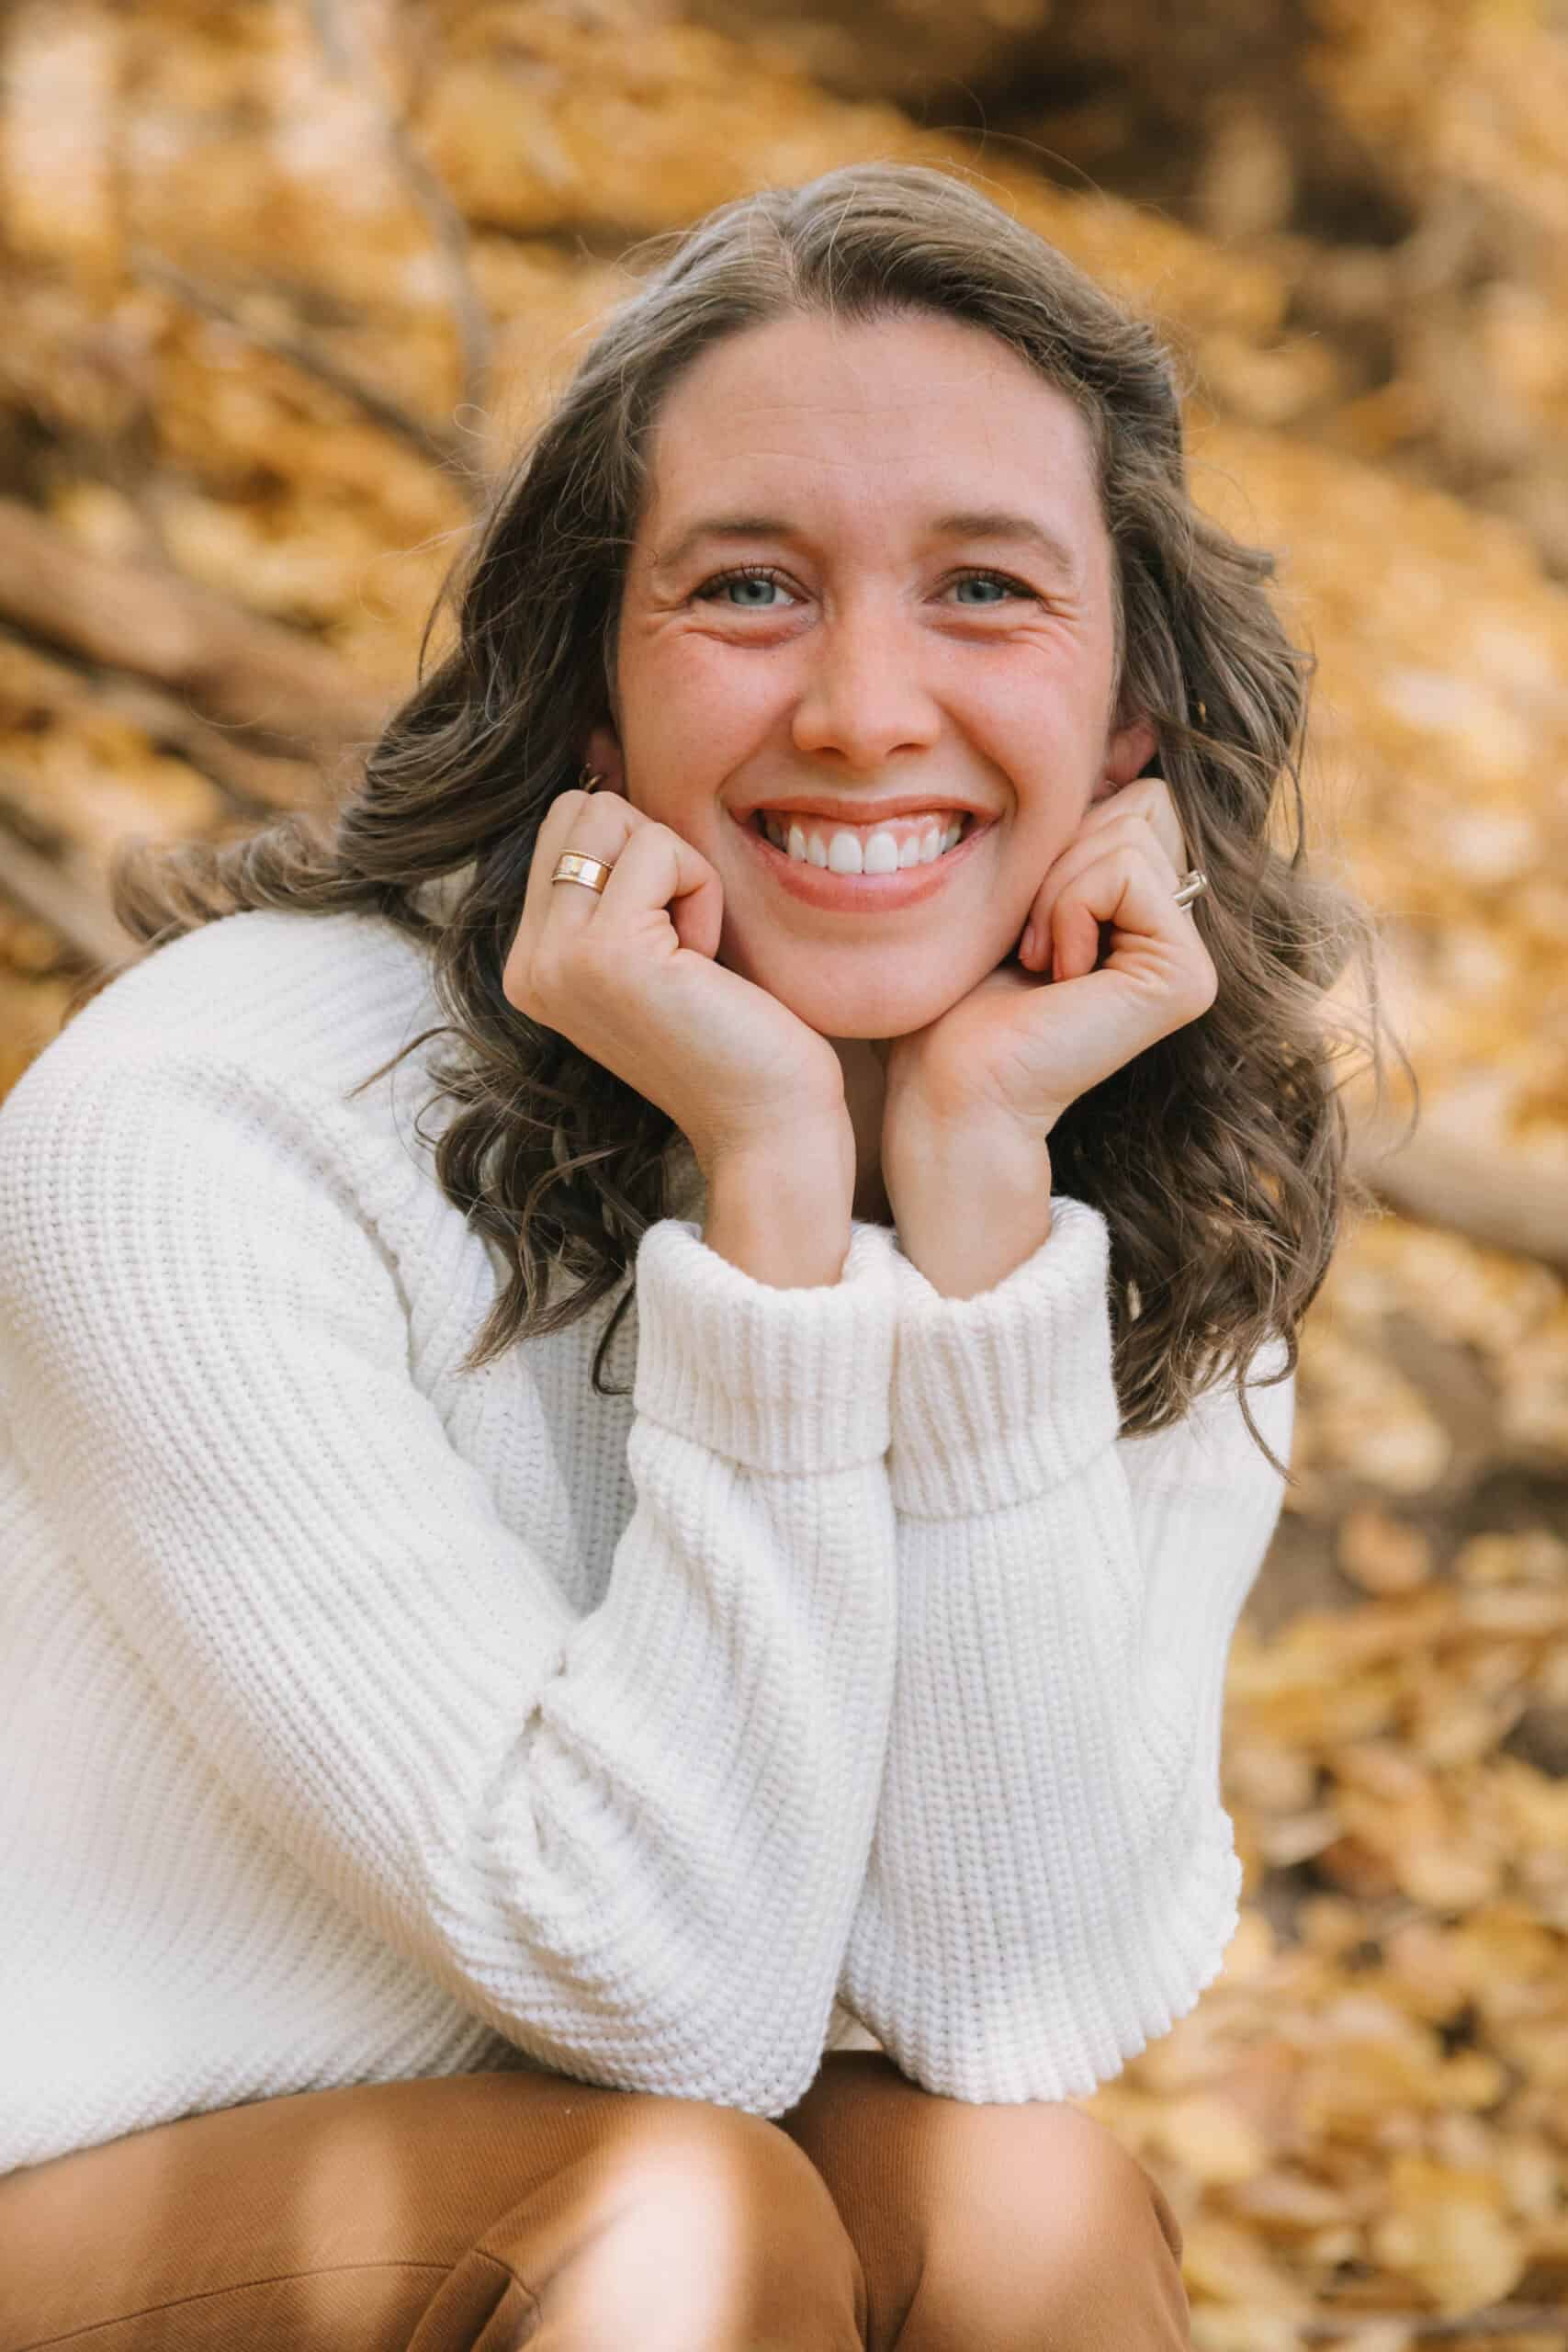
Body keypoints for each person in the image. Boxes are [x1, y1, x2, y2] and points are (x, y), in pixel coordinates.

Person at [0, 161, 1388, 2348]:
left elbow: (1006, 2001)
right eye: (746, 589)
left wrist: (964, 1210)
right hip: (85, 2204)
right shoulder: (209, 1122)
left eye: (984, 592)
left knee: (1014, 2200)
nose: (856, 707)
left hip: (603, 2163)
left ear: (1129, 718)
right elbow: (663, 1993)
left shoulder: (1114, 1198)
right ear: (587, 698)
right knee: (668, 2212)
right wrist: (762, 1172)